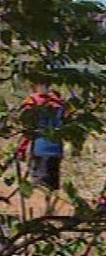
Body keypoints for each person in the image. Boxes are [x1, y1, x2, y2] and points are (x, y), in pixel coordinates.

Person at [18, 81, 66, 213]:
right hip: (56, 148)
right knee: (52, 185)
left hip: (40, 148)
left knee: (40, 184)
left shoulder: (32, 102)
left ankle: (41, 214)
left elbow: (28, 129)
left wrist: (21, 148)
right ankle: (51, 212)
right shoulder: (60, 102)